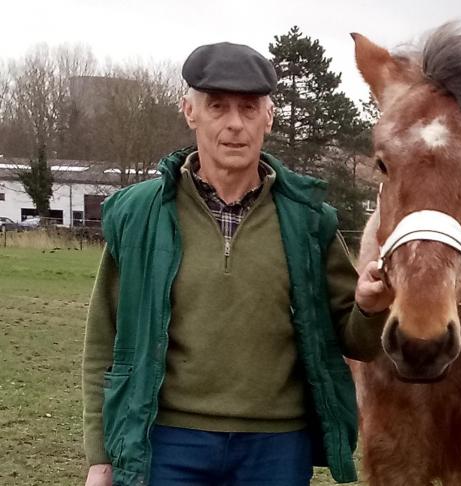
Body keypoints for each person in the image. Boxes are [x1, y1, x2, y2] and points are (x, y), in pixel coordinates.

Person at [82, 42, 392, 486]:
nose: (234, 124)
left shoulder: (308, 221)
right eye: (217, 107)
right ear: (189, 111)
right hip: (167, 442)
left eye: (249, 108)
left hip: (276, 449)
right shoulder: (140, 216)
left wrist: (368, 306)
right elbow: (103, 344)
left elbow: (357, 341)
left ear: (269, 117)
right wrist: (100, 457)